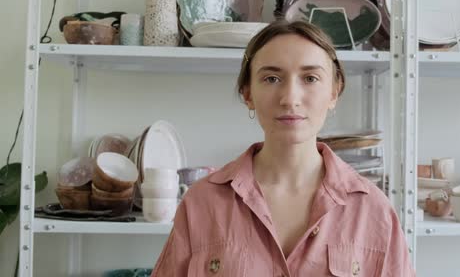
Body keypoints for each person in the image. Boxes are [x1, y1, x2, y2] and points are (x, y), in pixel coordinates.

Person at [151, 20, 415, 276]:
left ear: (334, 92)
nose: (290, 98)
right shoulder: (202, 203)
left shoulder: (373, 211)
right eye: (271, 78)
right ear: (247, 93)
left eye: (310, 78)